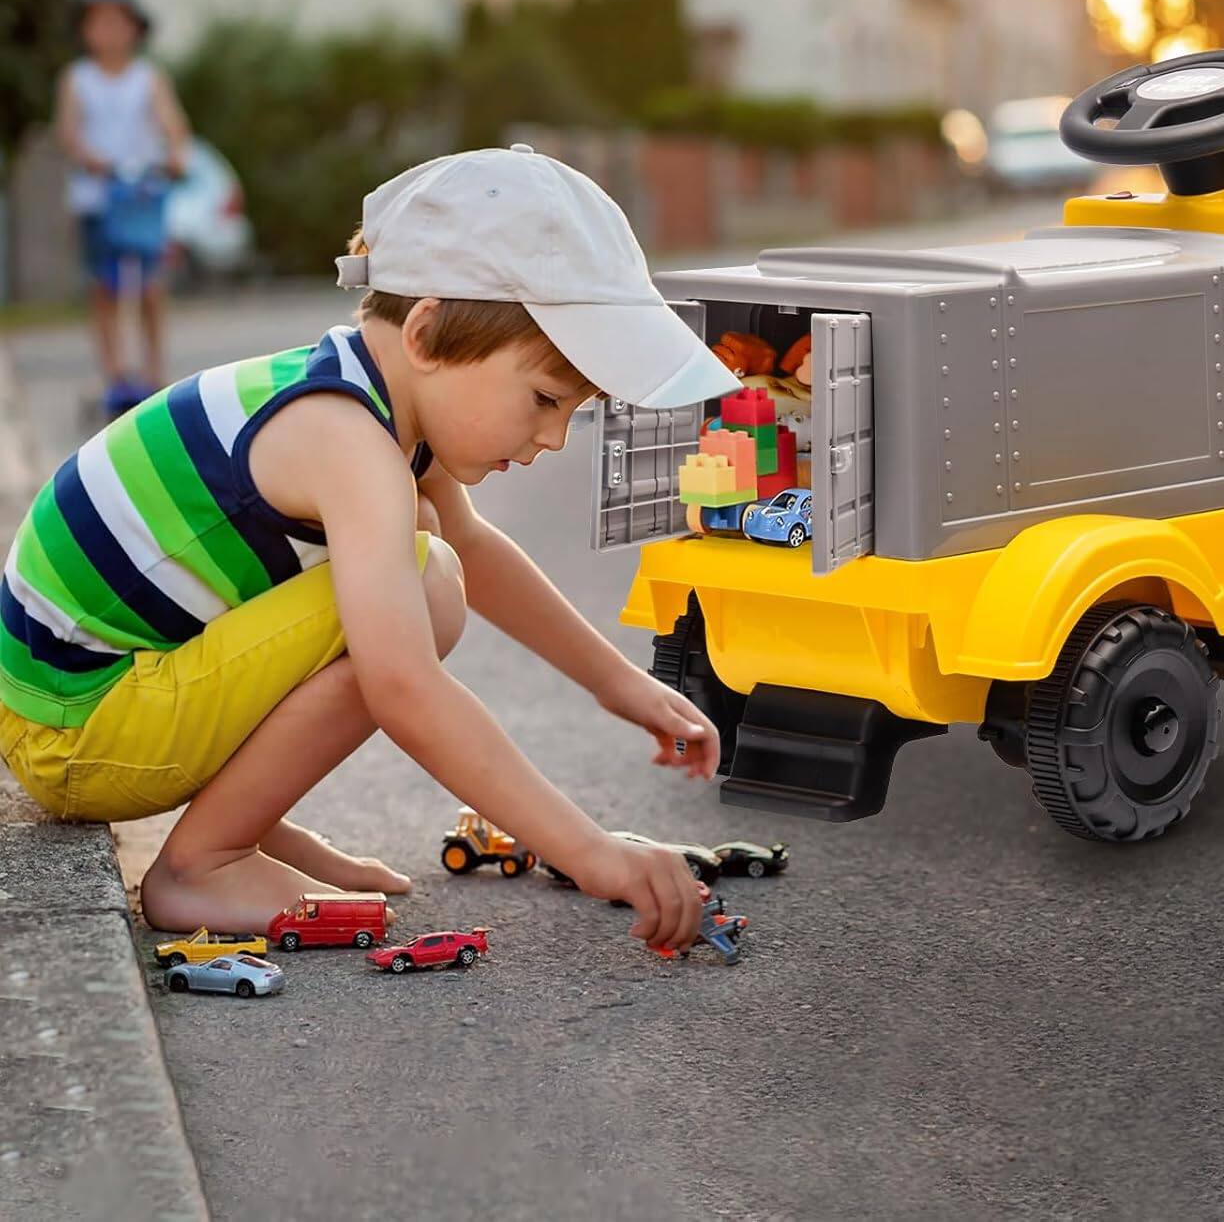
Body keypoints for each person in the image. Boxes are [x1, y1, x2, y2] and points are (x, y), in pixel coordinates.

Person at [0, 146, 742, 952]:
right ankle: (205, 862)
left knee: (430, 559)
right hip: (80, 734)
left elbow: (476, 546)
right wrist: (591, 852)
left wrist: (618, 685)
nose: (554, 438)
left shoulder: (362, 398)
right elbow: (403, 688)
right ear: (426, 332)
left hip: (76, 708)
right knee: (423, 586)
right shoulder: (348, 441)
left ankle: (240, 831)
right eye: (543, 400)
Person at [55, 0, 191, 415]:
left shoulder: (148, 78)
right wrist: (89, 157)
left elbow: (173, 125)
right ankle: (114, 371)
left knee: (150, 285)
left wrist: (174, 153)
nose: (109, 33)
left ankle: (154, 371)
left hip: (142, 195)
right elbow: (69, 132)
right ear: (85, 31)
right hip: (99, 197)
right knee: (104, 287)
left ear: (135, 29)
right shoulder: (78, 79)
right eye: (99, 24)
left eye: (118, 23)